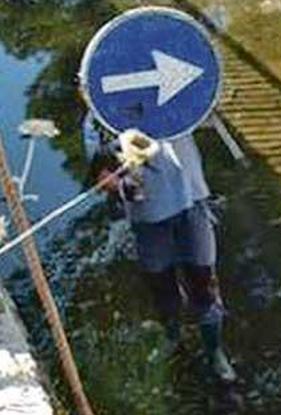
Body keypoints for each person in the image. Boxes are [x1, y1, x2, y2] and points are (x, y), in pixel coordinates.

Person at [82, 109, 237, 384]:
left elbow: (201, 104)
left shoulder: (173, 98)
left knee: (204, 281)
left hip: (192, 202)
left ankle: (215, 351)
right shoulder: (100, 119)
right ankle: (174, 339)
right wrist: (119, 186)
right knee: (161, 285)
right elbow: (102, 176)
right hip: (149, 217)